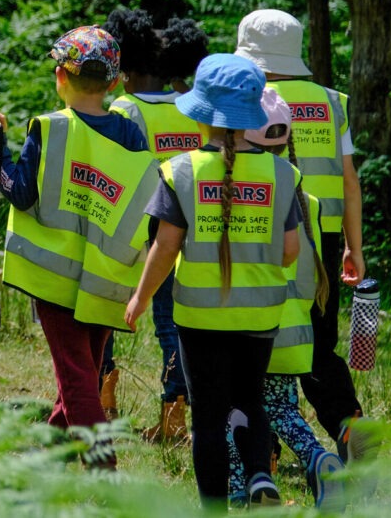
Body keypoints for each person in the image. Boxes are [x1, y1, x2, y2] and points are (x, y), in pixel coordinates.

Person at [0, 25, 161, 469]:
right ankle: (50, 459)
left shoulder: (50, 129)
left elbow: (18, 193)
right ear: (115, 83)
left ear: (60, 76)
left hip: (54, 277)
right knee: (84, 372)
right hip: (108, 277)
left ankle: (104, 469)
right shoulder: (133, 135)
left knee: (77, 377)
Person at [125, 53, 302, 510]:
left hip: (199, 316)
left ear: (201, 112)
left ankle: (213, 509)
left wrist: (141, 297)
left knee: (208, 418)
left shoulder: (180, 170)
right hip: (261, 313)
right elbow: (290, 252)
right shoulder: (283, 174)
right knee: (250, 401)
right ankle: (261, 474)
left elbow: (165, 247)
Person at [233, 9, 373, 461]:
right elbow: (350, 179)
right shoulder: (333, 101)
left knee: (255, 340)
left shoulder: (251, 98)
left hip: (260, 230)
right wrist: (354, 246)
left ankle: (263, 447)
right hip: (324, 238)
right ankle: (348, 424)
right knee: (315, 340)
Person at [226, 87, 346, 511]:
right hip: (295, 331)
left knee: (237, 406)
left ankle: (244, 487)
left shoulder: (245, 194)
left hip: (254, 326)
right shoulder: (306, 199)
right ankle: (309, 462)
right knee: (279, 407)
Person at [101, 9, 208, 441]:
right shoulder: (190, 108)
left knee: (103, 310)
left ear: (124, 67)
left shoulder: (125, 109)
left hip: (129, 229)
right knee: (170, 324)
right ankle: (174, 415)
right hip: (180, 228)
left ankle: (102, 399)